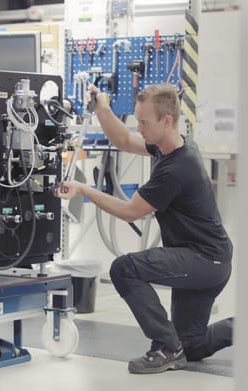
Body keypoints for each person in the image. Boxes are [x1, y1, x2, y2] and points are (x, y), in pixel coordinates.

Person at [55, 84, 233, 374]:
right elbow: (123, 138)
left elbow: (129, 212)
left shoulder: (177, 167)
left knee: (124, 268)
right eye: (138, 120)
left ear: (166, 120)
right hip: (211, 259)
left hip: (204, 259)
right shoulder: (169, 146)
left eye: (144, 122)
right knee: (193, 344)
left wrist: (82, 189)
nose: (139, 127)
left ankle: (166, 348)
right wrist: (102, 109)